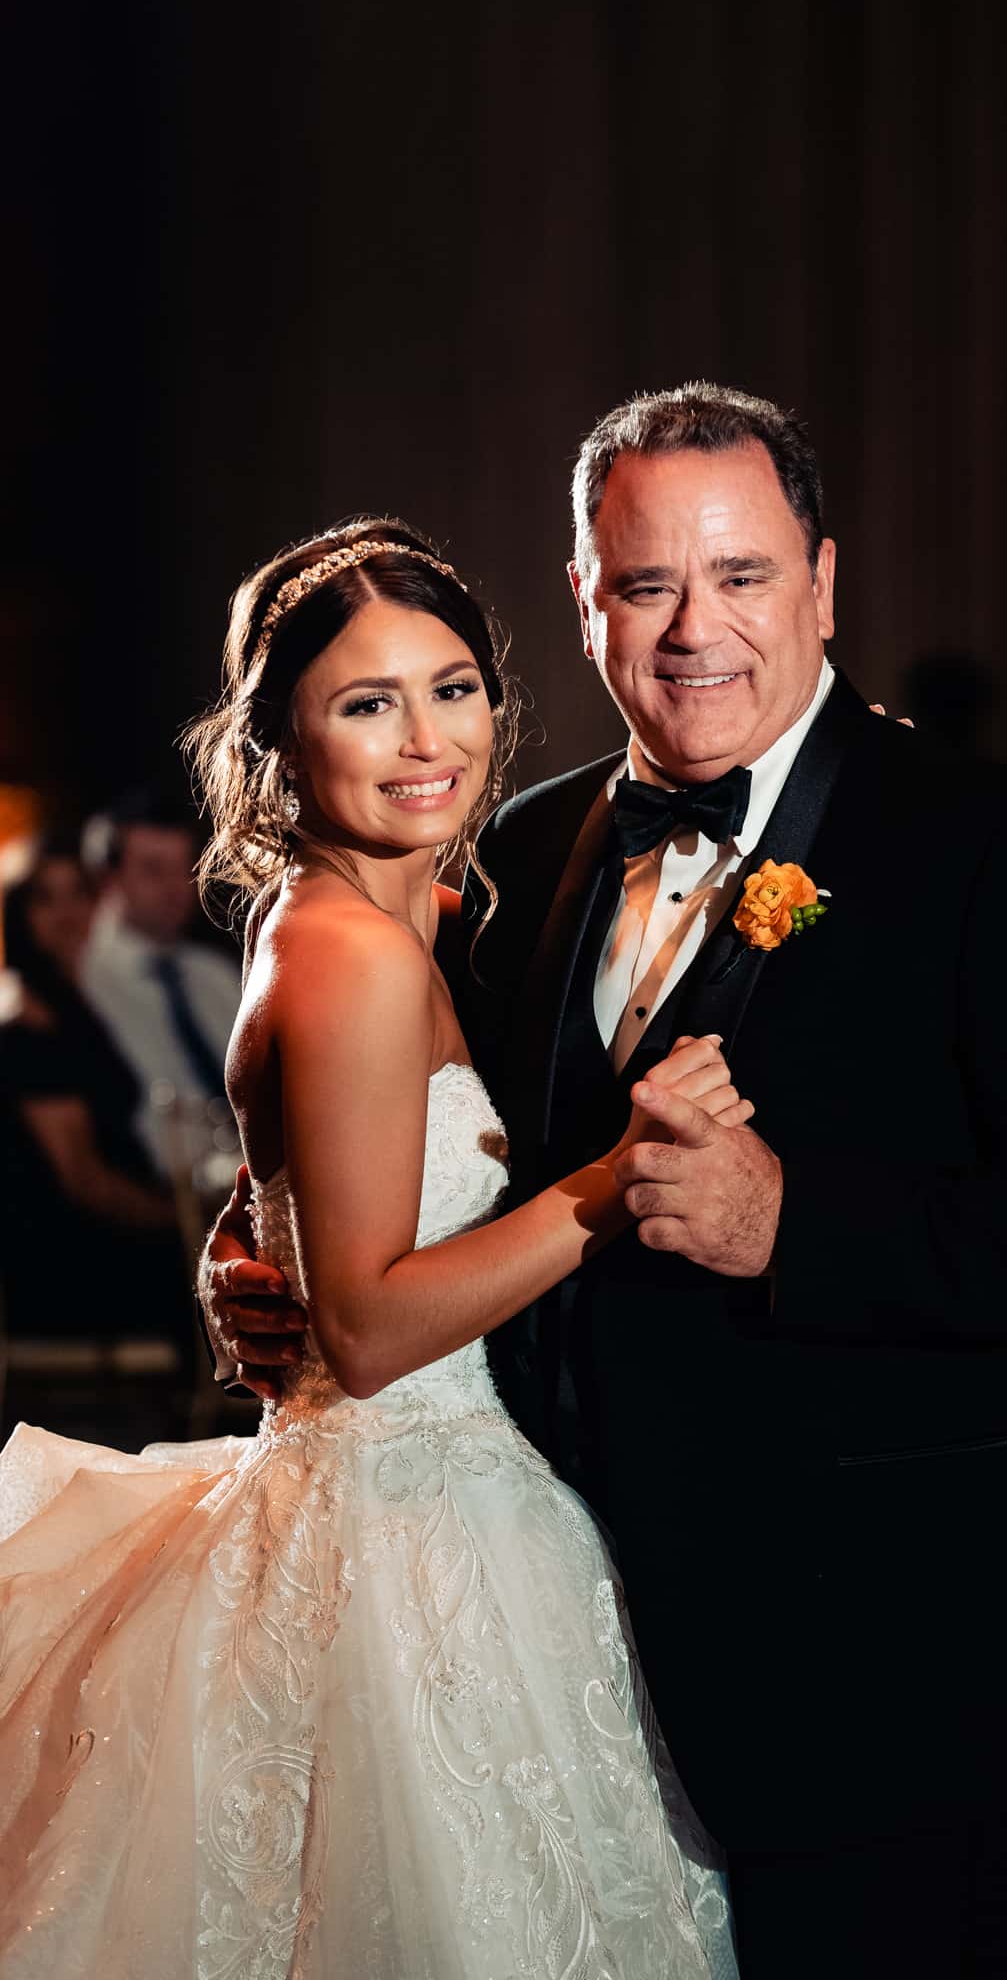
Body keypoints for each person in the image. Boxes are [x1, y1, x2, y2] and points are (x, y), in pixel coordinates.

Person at [206, 384, 1007, 1979]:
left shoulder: (980, 841)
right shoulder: (513, 852)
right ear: (584, 601)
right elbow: (406, 1134)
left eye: (738, 576)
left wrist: (792, 1227)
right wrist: (252, 1247)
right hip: (554, 1664)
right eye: (644, 585)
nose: (693, 631)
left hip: (882, 1670)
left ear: (820, 581)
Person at [0, 522, 740, 1979]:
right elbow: (370, 1329)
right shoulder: (351, 952)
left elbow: (314, 1179)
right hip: (408, 1538)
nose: (427, 740)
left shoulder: (395, 911)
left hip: (460, 1497)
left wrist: (242, 1233)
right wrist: (614, 1179)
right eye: (366, 701)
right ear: (282, 736)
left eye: (452, 688)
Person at [0, 845, 180, 1353]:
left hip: (109, 1245)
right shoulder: (29, 1031)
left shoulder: (79, 1011)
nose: (67, 913)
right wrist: (186, 1223)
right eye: (45, 899)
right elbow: (85, 1183)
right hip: (69, 1267)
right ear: (18, 915)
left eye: (79, 893)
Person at [82, 785, 241, 1179]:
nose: (175, 889)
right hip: (151, 1203)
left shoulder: (212, 973)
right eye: (153, 869)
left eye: (183, 870)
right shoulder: (84, 981)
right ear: (107, 879)